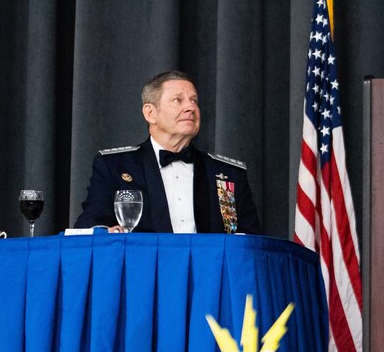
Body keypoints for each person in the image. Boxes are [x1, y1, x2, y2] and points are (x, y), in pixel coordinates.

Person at [74, 70, 261, 234]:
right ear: (150, 113)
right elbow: (90, 223)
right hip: (144, 271)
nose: (190, 108)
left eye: (194, 101)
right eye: (177, 100)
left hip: (209, 273)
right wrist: (107, 232)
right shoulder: (114, 166)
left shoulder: (228, 173)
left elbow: (250, 240)